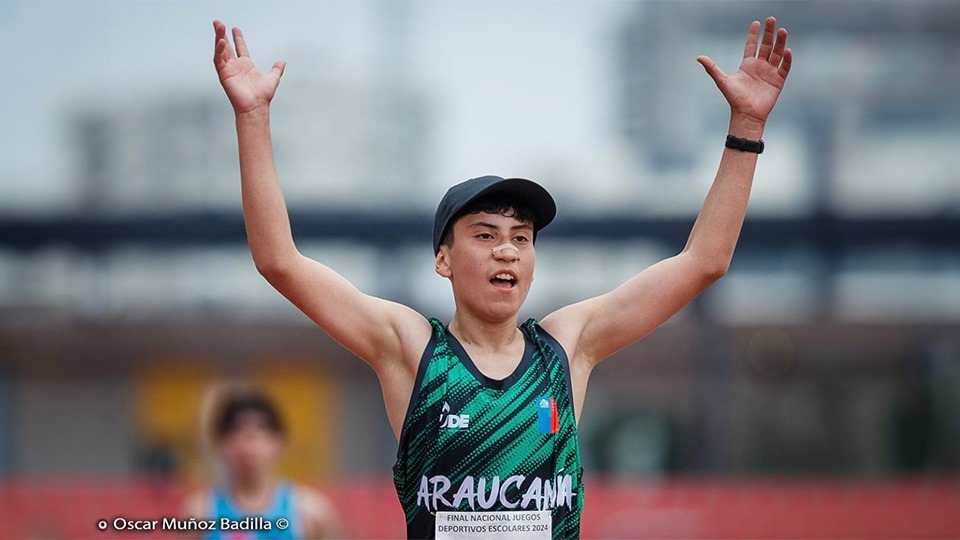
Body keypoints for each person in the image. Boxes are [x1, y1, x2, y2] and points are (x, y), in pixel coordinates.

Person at [211, 15, 792, 539]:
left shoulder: (567, 347)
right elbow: (279, 260)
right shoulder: (411, 349)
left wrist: (746, 126)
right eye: (485, 236)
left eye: (521, 238)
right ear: (444, 260)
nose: (507, 252)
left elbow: (703, 262)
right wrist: (252, 116)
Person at [183, 384, 341, 539]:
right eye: (237, 430)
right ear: (221, 444)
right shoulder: (201, 512)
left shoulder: (310, 512)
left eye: (261, 428)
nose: (250, 440)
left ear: (279, 442)